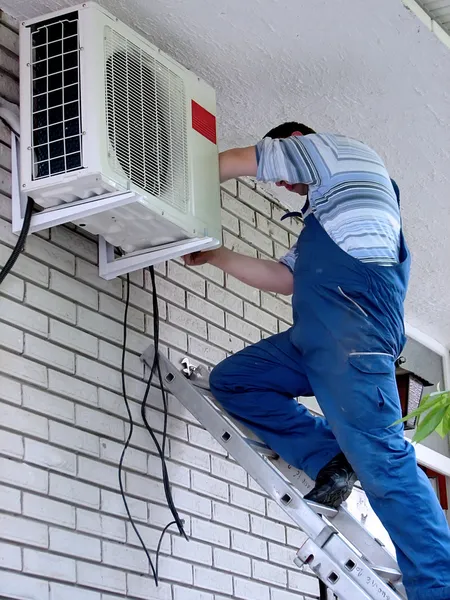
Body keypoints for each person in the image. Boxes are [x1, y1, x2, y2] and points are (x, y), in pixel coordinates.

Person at [184, 122, 450, 600]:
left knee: (387, 464)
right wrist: (215, 255)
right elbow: (283, 278)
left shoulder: (334, 153)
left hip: (355, 339)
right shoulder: (329, 218)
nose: (282, 185)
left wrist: (173, 180)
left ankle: (439, 586)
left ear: (296, 145)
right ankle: (331, 457)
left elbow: (230, 162)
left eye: (283, 172)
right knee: (237, 382)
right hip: (316, 343)